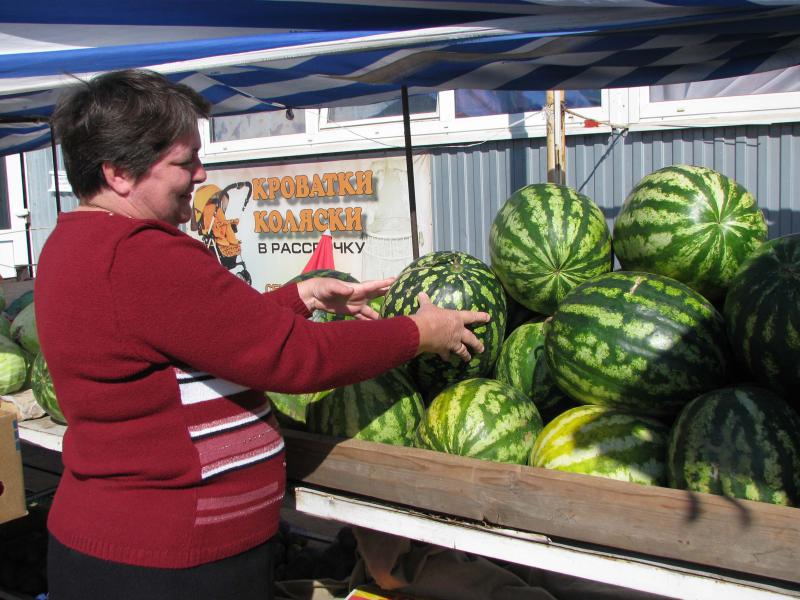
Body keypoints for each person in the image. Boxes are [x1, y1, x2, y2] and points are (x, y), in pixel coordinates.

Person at [36, 69, 489, 600]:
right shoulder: (142, 253)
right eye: (185, 162)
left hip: (122, 548)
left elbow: (197, 333)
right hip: (167, 563)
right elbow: (298, 360)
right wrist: (418, 332)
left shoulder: (73, 245)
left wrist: (300, 297)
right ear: (118, 174)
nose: (202, 175)